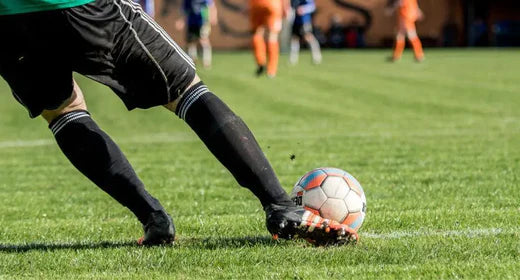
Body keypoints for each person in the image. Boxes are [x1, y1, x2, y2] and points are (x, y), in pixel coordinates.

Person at [0, 0, 357, 246]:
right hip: (81, 8)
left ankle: (154, 219)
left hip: (8, 22)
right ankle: (279, 206)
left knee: (62, 112)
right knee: (186, 89)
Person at [249, 0, 290, 78]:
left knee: (257, 34)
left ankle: (260, 61)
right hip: (272, 4)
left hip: (256, 4)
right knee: (272, 36)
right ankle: (271, 70)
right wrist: (285, 7)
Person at [175, 0, 217, 69]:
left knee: (203, 40)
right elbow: (184, 10)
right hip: (191, 22)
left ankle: (206, 61)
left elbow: (211, 6)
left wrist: (213, 16)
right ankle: (191, 61)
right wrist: (181, 20)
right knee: (190, 42)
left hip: (202, 22)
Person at [289, 0, 322, 65]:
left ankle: (317, 56)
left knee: (308, 37)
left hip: (304, 21)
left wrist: (303, 9)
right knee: (294, 39)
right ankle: (293, 59)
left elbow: (312, 6)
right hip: (295, 21)